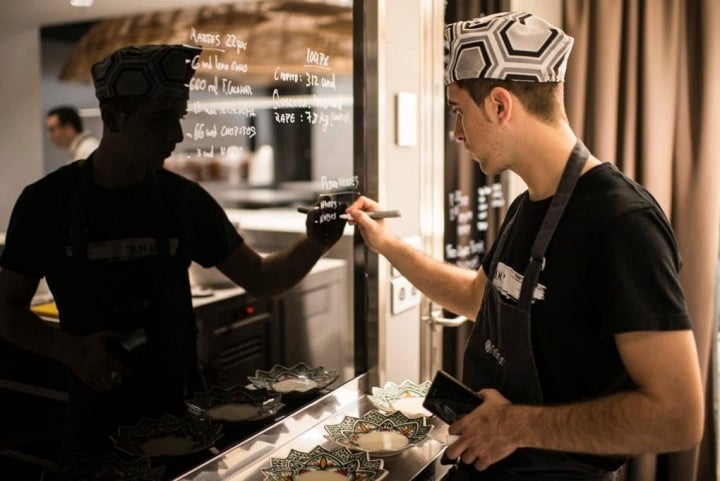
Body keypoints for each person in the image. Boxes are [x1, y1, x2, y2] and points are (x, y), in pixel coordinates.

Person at [346, 12, 703, 481]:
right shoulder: (526, 206)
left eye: (458, 111)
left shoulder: (623, 223)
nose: (456, 133)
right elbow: (482, 298)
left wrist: (513, 425)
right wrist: (388, 245)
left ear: (499, 105)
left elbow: (678, 416)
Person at [0, 44, 346, 458]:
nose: (177, 135)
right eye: (161, 120)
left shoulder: (184, 200)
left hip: (184, 411)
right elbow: (6, 311)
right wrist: (70, 350)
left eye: (178, 118)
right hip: (97, 418)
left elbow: (263, 279)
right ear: (113, 117)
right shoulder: (46, 203)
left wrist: (315, 243)